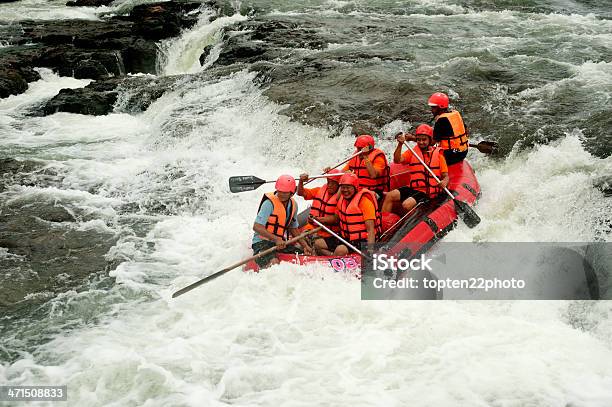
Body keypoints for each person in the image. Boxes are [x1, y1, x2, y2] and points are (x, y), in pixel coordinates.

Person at [382, 124, 449, 214]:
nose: (421, 142)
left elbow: (446, 176)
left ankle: (416, 221)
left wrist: (444, 182)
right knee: (390, 195)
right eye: (418, 140)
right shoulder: (413, 152)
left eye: (424, 139)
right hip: (414, 188)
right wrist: (400, 145)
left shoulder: (438, 155)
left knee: (406, 204)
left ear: (430, 140)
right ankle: (384, 221)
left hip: (428, 192)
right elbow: (397, 160)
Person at [252, 175, 313, 269]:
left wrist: (304, 246)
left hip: (279, 244)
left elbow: (293, 228)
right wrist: (276, 239)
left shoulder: (293, 205)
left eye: (285, 192)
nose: (281, 194)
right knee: (274, 263)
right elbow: (257, 227)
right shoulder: (268, 204)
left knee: (304, 258)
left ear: (292, 193)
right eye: (280, 191)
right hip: (261, 242)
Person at [329, 173, 381, 256]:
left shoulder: (365, 202)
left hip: (362, 240)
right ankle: (330, 257)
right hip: (347, 238)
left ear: (355, 187)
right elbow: (336, 218)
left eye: (348, 187)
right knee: (319, 244)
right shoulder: (342, 200)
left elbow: (370, 230)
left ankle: (332, 262)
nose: (345, 190)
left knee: (341, 250)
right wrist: (318, 219)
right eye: (343, 187)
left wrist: (370, 250)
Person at [297, 169, 343, 256]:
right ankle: (307, 252)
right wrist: (301, 182)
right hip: (313, 229)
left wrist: (318, 219)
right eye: (328, 182)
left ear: (339, 185)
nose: (329, 185)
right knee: (299, 244)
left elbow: (335, 219)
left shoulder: (341, 198)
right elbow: (300, 192)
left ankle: (332, 256)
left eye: (333, 183)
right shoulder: (320, 190)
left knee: (316, 245)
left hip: (330, 234)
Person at [333, 134, 389, 203]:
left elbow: (373, 175)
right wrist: (331, 171)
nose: (358, 150)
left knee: (360, 197)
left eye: (360, 148)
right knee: (339, 196)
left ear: (369, 148)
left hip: (375, 191)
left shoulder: (378, 157)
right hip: (357, 188)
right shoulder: (355, 155)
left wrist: (365, 157)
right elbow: (342, 172)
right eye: (357, 148)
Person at [428, 92, 469, 165]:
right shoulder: (455, 114)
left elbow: (433, 142)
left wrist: (417, 140)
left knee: (427, 154)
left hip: (451, 156)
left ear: (440, 107)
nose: (432, 110)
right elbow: (466, 130)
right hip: (464, 152)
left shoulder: (441, 120)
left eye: (433, 107)